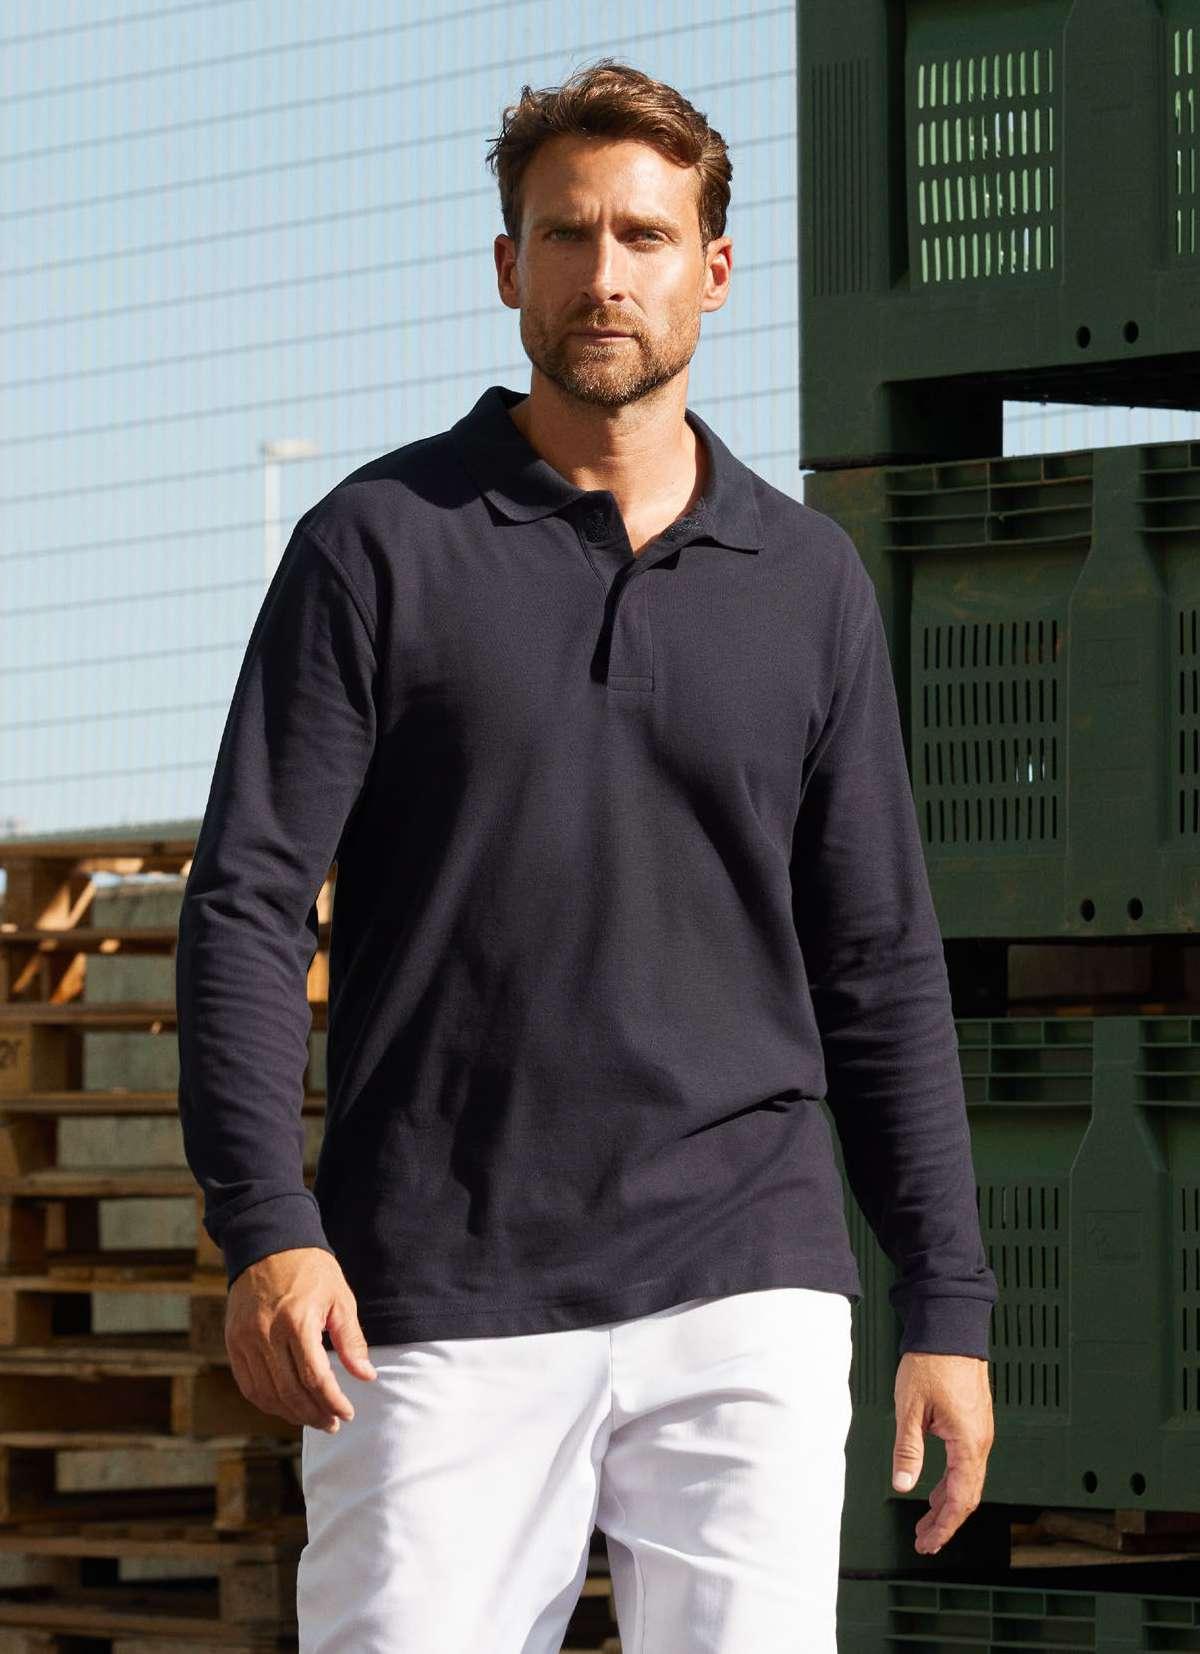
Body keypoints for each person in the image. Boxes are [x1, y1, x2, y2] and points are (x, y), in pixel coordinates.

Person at [176, 57, 997, 1654]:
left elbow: (881, 959)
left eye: (643, 235)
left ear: (715, 269)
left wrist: (947, 1301)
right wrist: (268, 1222)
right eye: (565, 235)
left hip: (745, 1278)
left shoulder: (808, 582)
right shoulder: (375, 547)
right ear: (509, 267)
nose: (603, 273)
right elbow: (250, 906)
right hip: (437, 1279)